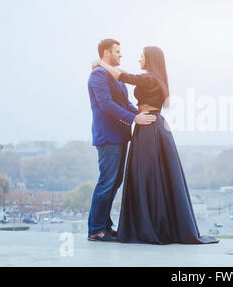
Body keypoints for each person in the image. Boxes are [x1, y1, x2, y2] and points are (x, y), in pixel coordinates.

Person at [92, 46, 219, 245]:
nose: (139, 58)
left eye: (142, 56)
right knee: (152, 176)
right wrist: (135, 117)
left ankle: (145, 225)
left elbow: (121, 76)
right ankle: (148, 224)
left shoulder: (149, 78)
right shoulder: (155, 78)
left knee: (146, 176)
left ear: (150, 59)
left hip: (148, 127)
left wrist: (99, 62)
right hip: (149, 124)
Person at [87, 39, 158, 242]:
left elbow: (124, 102)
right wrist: (134, 119)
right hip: (108, 137)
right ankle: (96, 230)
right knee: (106, 182)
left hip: (120, 136)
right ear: (106, 52)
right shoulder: (97, 75)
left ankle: (105, 227)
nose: (121, 55)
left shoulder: (114, 76)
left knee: (114, 182)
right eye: (117, 51)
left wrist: (144, 115)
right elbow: (106, 104)